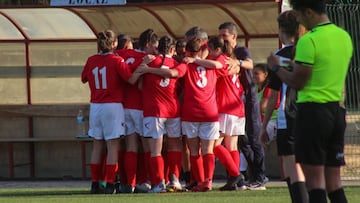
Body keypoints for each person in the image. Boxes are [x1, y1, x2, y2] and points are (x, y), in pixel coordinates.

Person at [267, 0, 353, 202]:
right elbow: (319, 66)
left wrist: (276, 68)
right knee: (334, 184)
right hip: (337, 111)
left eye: (299, 15)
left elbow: (298, 81)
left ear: (309, 12)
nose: (299, 21)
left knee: (315, 184)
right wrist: (285, 62)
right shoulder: (343, 36)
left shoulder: (309, 41)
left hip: (312, 114)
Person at [81, 29, 144, 194]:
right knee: (113, 146)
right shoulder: (117, 60)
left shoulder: (91, 59)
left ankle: (95, 184)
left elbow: (84, 78)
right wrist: (140, 69)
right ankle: (109, 184)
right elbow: (130, 79)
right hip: (112, 106)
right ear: (115, 43)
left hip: (95, 105)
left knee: (97, 146)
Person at [262, 10, 308, 203]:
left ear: (281, 30)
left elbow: (273, 96)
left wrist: (263, 127)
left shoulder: (279, 56)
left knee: (292, 167)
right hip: (311, 114)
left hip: (288, 116)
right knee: (310, 168)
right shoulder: (308, 50)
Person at [218, 22, 267, 190]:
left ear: (233, 36)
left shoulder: (240, 51)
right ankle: (241, 178)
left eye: (224, 36)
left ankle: (260, 177)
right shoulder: (222, 53)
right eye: (220, 36)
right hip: (235, 100)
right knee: (241, 142)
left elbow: (250, 63)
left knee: (253, 138)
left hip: (248, 98)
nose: (222, 39)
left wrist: (237, 62)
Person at [139, 35, 187, 193]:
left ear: (158, 48)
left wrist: (147, 70)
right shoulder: (177, 64)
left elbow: (138, 85)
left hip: (154, 110)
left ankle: (159, 183)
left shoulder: (148, 63)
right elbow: (175, 75)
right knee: (174, 145)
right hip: (173, 110)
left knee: (155, 150)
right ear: (172, 50)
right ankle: (174, 180)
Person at [114, 28, 159, 193]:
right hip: (140, 107)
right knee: (148, 146)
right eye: (154, 46)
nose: (155, 50)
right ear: (147, 44)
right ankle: (150, 181)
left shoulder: (119, 56)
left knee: (130, 145)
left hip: (122, 106)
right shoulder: (146, 59)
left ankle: (130, 183)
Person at [253, 63, 279, 145]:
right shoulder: (255, 87)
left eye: (256, 73)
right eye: (252, 73)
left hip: (272, 120)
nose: (253, 76)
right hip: (260, 120)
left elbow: (262, 107)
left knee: (257, 136)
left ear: (265, 74)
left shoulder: (269, 88)